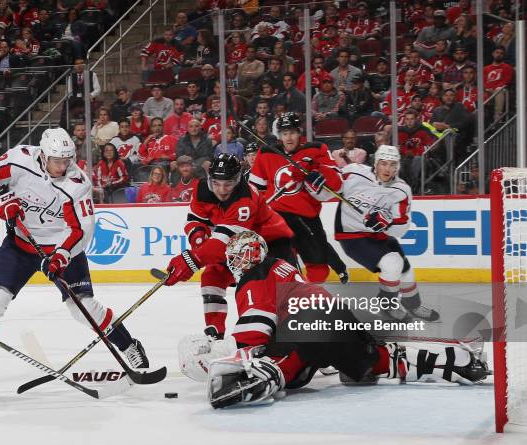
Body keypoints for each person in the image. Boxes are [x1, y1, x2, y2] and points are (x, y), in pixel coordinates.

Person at [176, 230, 489, 408]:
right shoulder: (280, 267)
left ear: (245, 257)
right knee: (366, 366)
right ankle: (457, 356)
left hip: (314, 322)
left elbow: (256, 325)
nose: (231, 262)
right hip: (332, 319)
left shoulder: (255, 275)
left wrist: (241, 357)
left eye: (234, 256)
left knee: (278, 360)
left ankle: (264, 377)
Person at [0, 128, 149, 386]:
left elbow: (82, 228)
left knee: (83, 309)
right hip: (19, 246)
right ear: (43, 156)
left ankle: (129, 345)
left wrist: (62, 255)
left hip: (61, 248)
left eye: (68, 160)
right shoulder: (20, 159)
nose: (64, 166)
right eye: (58, 161)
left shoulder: (77, 184)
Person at [162, 153, 295, 339]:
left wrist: (191, 260)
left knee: (278, 299)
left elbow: (220, 245)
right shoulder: (201, 189)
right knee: (212, 275)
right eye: (216, 183)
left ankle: (265, 338)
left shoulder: (245, 201)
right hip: (240, 247)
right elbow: (194, 220)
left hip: (272, 245)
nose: (222, 190)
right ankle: (215, 334)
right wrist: (199, 241)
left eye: (228, 184)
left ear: (238, 179)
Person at [335, 145, 438, 321]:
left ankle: (413, 305)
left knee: (406, 271)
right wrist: (319, 182)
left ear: (397, 166)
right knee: (393, 264)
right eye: (383, 164)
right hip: (352, 234)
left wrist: (386, 223)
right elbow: (332, 183)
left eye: (392, 164)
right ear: (375, 163)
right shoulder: (355, 171)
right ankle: (387, 305)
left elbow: (401, 228)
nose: (387, 169)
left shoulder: (401, 189)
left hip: (379, 235)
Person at [249, 112, 348, 284]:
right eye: (285, 133)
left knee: (318, 270)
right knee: (279, 264)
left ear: (299, 132)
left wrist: (316, 171)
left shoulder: (317, 150)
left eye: (292, 132)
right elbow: (255, 189)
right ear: (279, 135)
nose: (289, 137)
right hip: (276, 215)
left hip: (306, 217)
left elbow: (338, 184)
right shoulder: (266, 152)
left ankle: (310, 298)